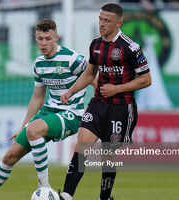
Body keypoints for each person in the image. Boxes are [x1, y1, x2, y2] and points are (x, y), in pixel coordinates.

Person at [0, 19, 90, 200]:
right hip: (48, 111)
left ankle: (44, 186)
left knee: (34, 130)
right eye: (40, 39)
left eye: (48, 38)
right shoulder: (39, 64)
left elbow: (93, 76)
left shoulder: (72, 58)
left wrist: (101, 106)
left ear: (56, 38)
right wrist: (24, 125)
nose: (43, 43)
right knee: (10, 156)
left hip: (71, 114)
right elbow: (37, 97)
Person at [58, 3, 151, 200]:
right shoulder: (95, 45)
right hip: (98, 103)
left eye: (107, 20)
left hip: (121, 108)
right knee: (81, 146)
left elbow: (146, 79)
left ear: (119, 23)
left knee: (107, 157)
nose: (101, 24)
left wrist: (116, 89)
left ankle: (105, 197)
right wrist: (71, 91)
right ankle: (66, 195)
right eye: (100, 19)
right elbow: (90, 73)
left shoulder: (131, 47)